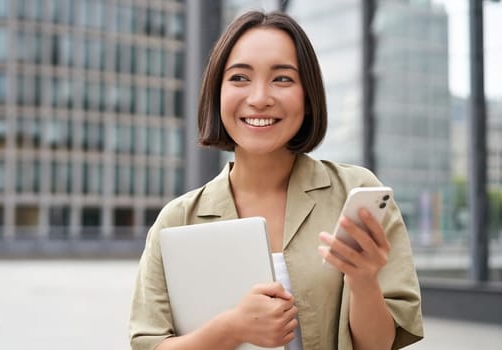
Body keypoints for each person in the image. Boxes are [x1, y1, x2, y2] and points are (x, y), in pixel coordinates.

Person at [129, 10, 423, 350]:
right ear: (217, 92)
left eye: (282, 79)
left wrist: (364, 280)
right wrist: (232, 328)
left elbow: (378, 346)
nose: (259, 98)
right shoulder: (178, 220)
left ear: (308, 97)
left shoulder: (354, 192)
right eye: (239, 78)